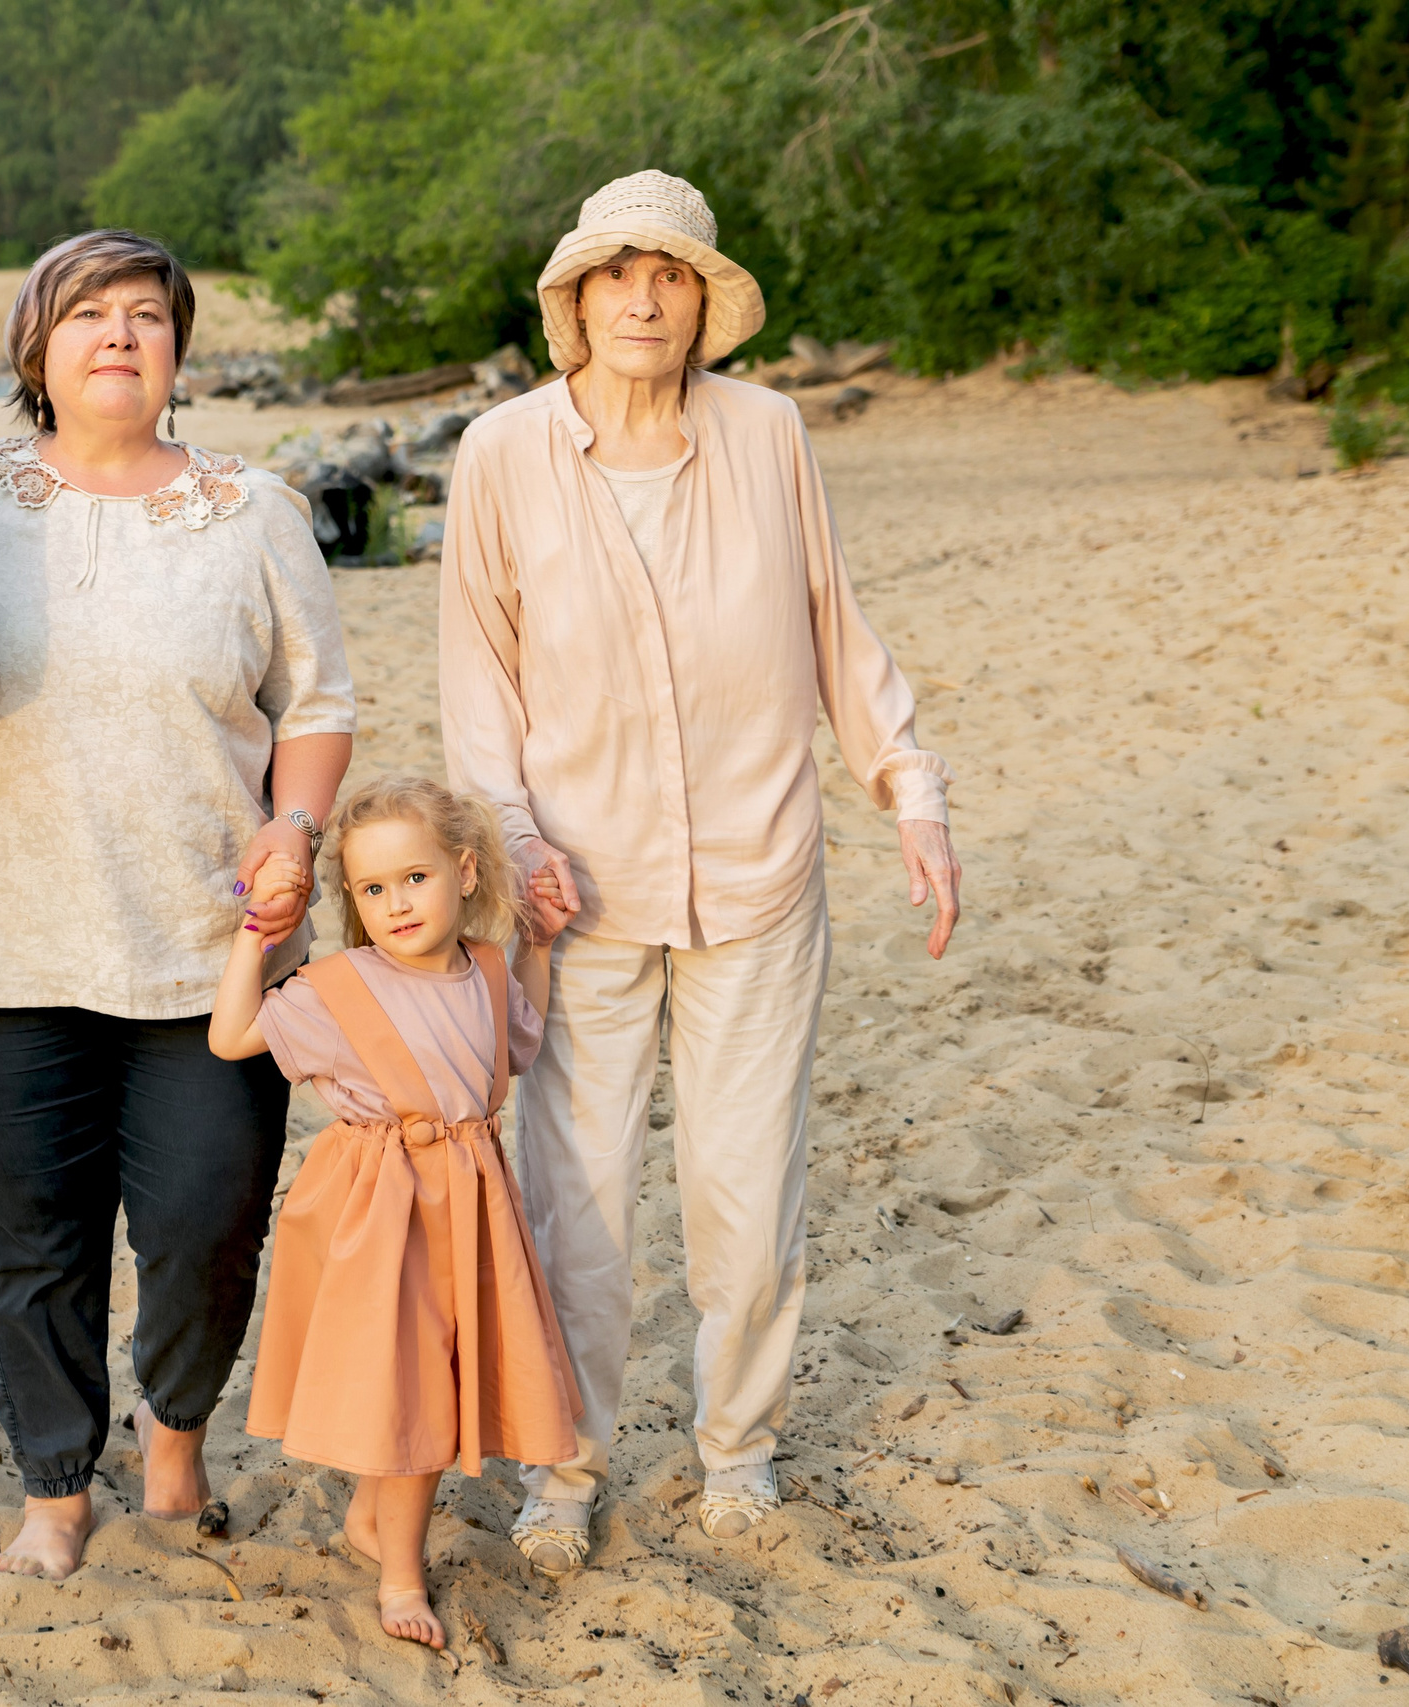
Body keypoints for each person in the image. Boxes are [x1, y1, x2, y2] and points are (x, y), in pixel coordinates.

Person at [438, 170, 962, 1571]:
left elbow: (834, 629)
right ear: (576, 298)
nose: (643, 299)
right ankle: (564, 1467)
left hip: (758, 872)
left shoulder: (771, 432)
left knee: (745, 1193)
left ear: (704, 300)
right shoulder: (498, 454)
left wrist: (911, 789)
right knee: (581, 1199)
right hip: (576, 889)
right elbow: (477, 678)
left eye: (670, 275)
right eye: (617, 274)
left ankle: (740, 1449)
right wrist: (517, 840)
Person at [0, 229, 355, 1581]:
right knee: (32, 1235)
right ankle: (54, 1486)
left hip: (209, 945)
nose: (119, 334)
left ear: (178, 349)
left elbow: (316, 701)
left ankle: (173, 1446)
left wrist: (296, 822)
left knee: (209, 1215)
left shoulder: (253, 507)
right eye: (88, 313)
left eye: (146, 315)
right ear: (35, 348)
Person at [208, 776, 580, 1649]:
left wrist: (539, 947)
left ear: (465, 870)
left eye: (414, 878)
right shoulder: (341, 988)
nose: (395, 903)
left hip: (471, 1203)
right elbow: (232, 1038)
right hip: (381, 1213)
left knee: (435, 1374)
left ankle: (374, 1519)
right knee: (416, 1385)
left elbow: (518, 1045)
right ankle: (402, 1575)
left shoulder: (487, 967)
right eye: (372, 890)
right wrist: (252, 933)